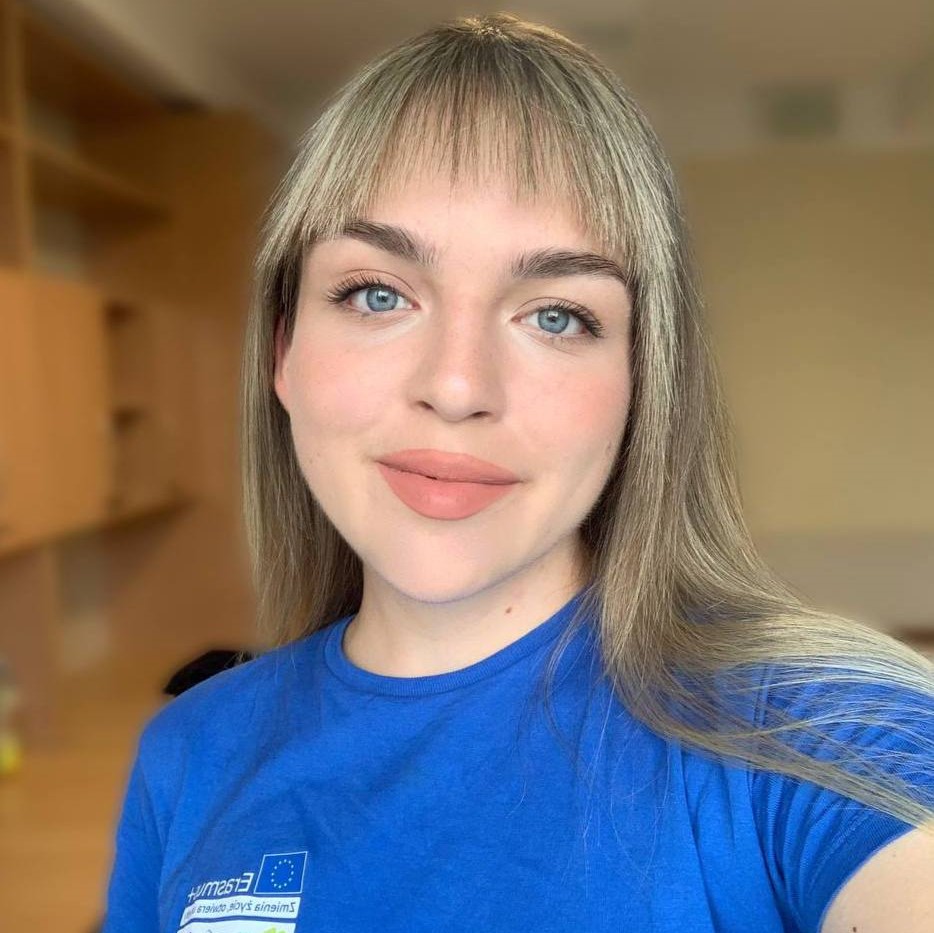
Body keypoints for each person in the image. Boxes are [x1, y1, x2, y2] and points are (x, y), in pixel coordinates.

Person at [101, 13, 934, 933]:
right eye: (377, 294)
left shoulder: (823, 731)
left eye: (556, 315)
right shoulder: (190, 755)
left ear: (640, 382)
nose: (458, 386)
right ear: (284, 351)